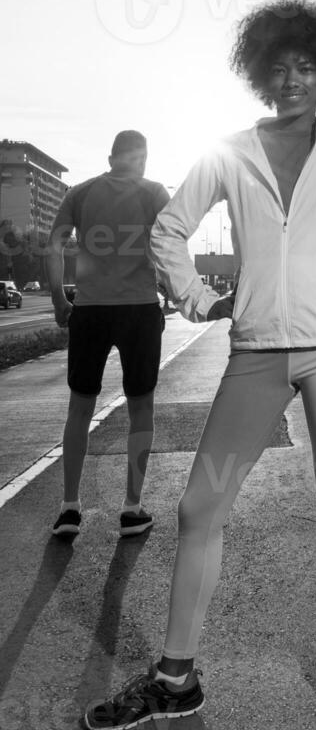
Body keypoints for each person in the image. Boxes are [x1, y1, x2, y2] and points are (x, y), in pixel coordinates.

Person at [83, 0, 316, 730]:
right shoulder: (229, 151)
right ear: (260, 76)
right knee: (199, 508)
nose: (292, 79)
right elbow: (169, 230)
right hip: (256, 355)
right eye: (278, 68)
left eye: (306, 67)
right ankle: (176, 677)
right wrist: (200, 298)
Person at [48, 130, 170, 539]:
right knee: (141, 408)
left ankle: (69, 508)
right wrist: (170, 294)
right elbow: (169, 246)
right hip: (138, 309)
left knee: (80, 408)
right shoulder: (154, 192)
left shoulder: (79, 193)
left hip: (91, 310)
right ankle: (132, 509)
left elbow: (55, 244)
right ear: (142, 158)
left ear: (110, 157)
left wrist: (58, 300)